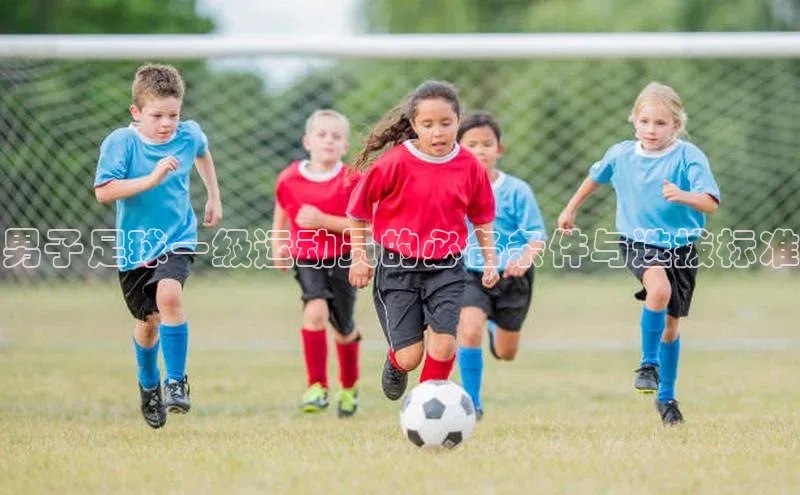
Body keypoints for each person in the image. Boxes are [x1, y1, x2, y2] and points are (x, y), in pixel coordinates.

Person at [557, 82, 720, 425]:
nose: (651, 129)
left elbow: (709, 201)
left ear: (676, 125)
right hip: (638, 240)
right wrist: (570, 208)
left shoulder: (688, 156)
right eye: (645, 121)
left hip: (682, 247)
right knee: (658, 290)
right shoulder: (621, 154)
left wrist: (683, 195)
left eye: (660, 123)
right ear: (634, 120)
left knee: (671, 327)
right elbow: (594, 177)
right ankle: (648, 364)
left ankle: (666, 398)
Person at [347, 80, 500, 402]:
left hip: (447, 266)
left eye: (446, 123)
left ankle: (425, 405)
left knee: (444, 343)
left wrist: (490, 260)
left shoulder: (470, 166)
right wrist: (360, 257)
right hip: (398, 267)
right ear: (414, 125)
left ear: (458, 121)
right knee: (409, 357)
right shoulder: (394, 163)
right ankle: (395, 361)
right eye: (427, 125)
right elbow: (358, 211)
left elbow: (482, 216)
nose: (437, 132)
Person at [94, 64, 222, 429]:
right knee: (147, 323)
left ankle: (176, 381)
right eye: (157, 116)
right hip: (135, 248)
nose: (166, 123)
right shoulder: (121, 143)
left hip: (178, 237)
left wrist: (213, 196)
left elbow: (203, 151)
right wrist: (150, 179)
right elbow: (104, 191)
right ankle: (149, 385)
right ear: (136, 112)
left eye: (173, 114)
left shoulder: (187, 134)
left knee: (169, 296)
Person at [455, 112, 547, 420]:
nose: (480, 151)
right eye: (471, 144)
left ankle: (496, 325)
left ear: (499, 149)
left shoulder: (517, 190)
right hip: (470, 271)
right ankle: (472, 404)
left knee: (506, 353)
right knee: (468, 331)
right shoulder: (455, 188)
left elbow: (536, 235)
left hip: (511, 275)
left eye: (486, 144)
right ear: (459, 149)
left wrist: (523, 259)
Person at [272, 109, 362, 417]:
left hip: (345, 260)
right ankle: (317, 387)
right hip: (307, 257)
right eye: (322, 135)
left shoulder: (353, 179)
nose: (328, 141)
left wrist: (324, 221)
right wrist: (279, 243)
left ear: (345, 146)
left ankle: (349, 388)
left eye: (336, 136)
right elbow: (283, 209)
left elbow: (366, 227)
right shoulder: (289, 178)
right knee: (315, 312)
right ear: (307, 141)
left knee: (344, 329)